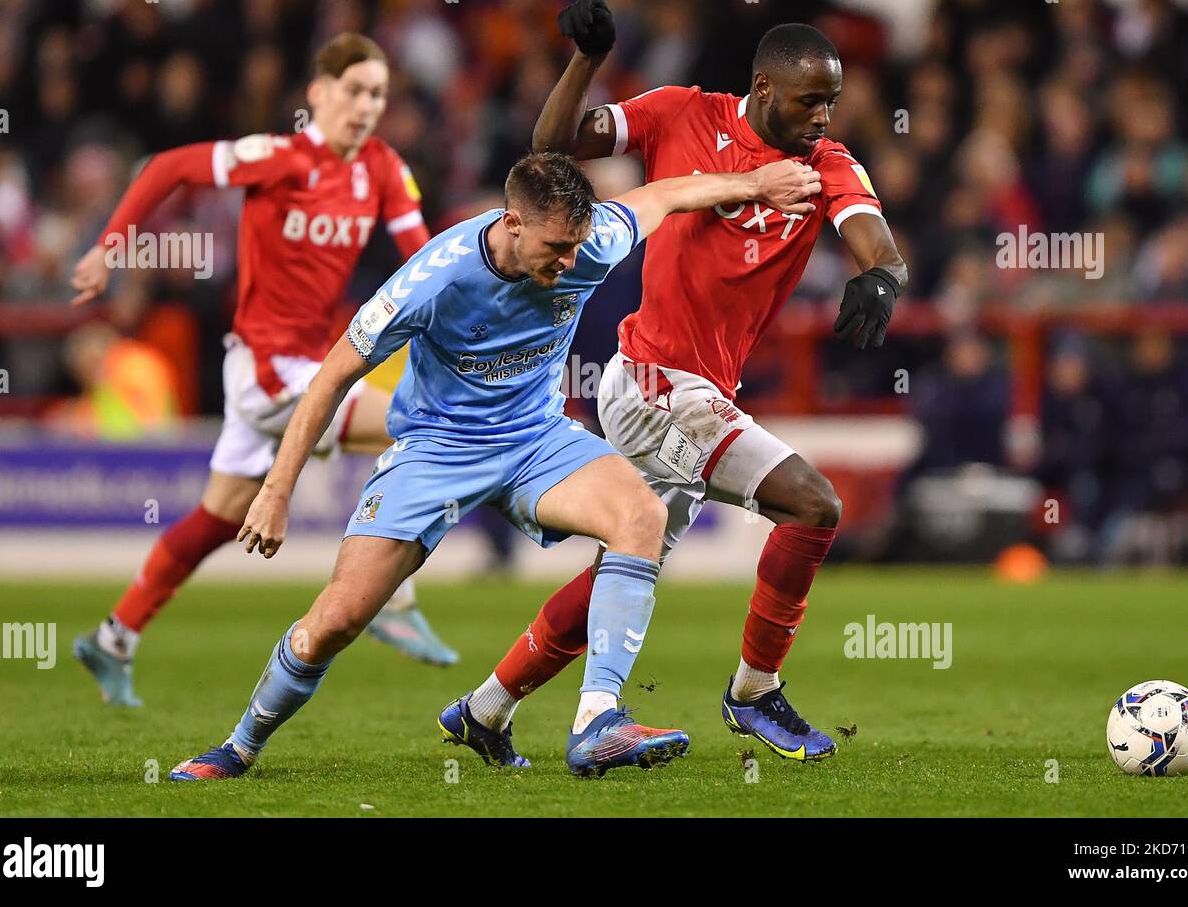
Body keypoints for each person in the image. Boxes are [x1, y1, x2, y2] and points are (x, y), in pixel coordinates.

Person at [168, 150, 823, 779]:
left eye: (576, 246)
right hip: (436, 451)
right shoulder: (435, 278)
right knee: (333, 624)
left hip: (535, 439)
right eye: (554, 249)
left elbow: (668, 193)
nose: (570, 263)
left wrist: (758, 182)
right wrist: (276, 490)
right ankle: (239, 747)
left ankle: (598, 721)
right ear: (511, 223)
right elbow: (331, 377)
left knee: (641, 516)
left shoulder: (592, 241)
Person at [457, 0, 911, 764]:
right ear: (765, 88)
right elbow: (551, 145)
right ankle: (753, 693)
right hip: (651, 380)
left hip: (701, 393)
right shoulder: (680, 116)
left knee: (625, 563)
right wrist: (586, 60)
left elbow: (879, 246)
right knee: (813, 505)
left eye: (831, 99)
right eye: (810, 99)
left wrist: (883, 281)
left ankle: (485, 706)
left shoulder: (827, 165)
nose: (823, 115)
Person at [71, 33, 458, 709]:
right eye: (354, 91)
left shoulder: (383, 168)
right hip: (268, 369)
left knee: (219, 516)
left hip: (310, 362)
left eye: (377, 95)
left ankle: (114, 636)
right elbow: (167, 168)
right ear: (318, 93)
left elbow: (417, 258)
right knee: (414, 427)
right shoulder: (279, 157)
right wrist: (111, 246)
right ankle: (394, 598)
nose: (365, 106)